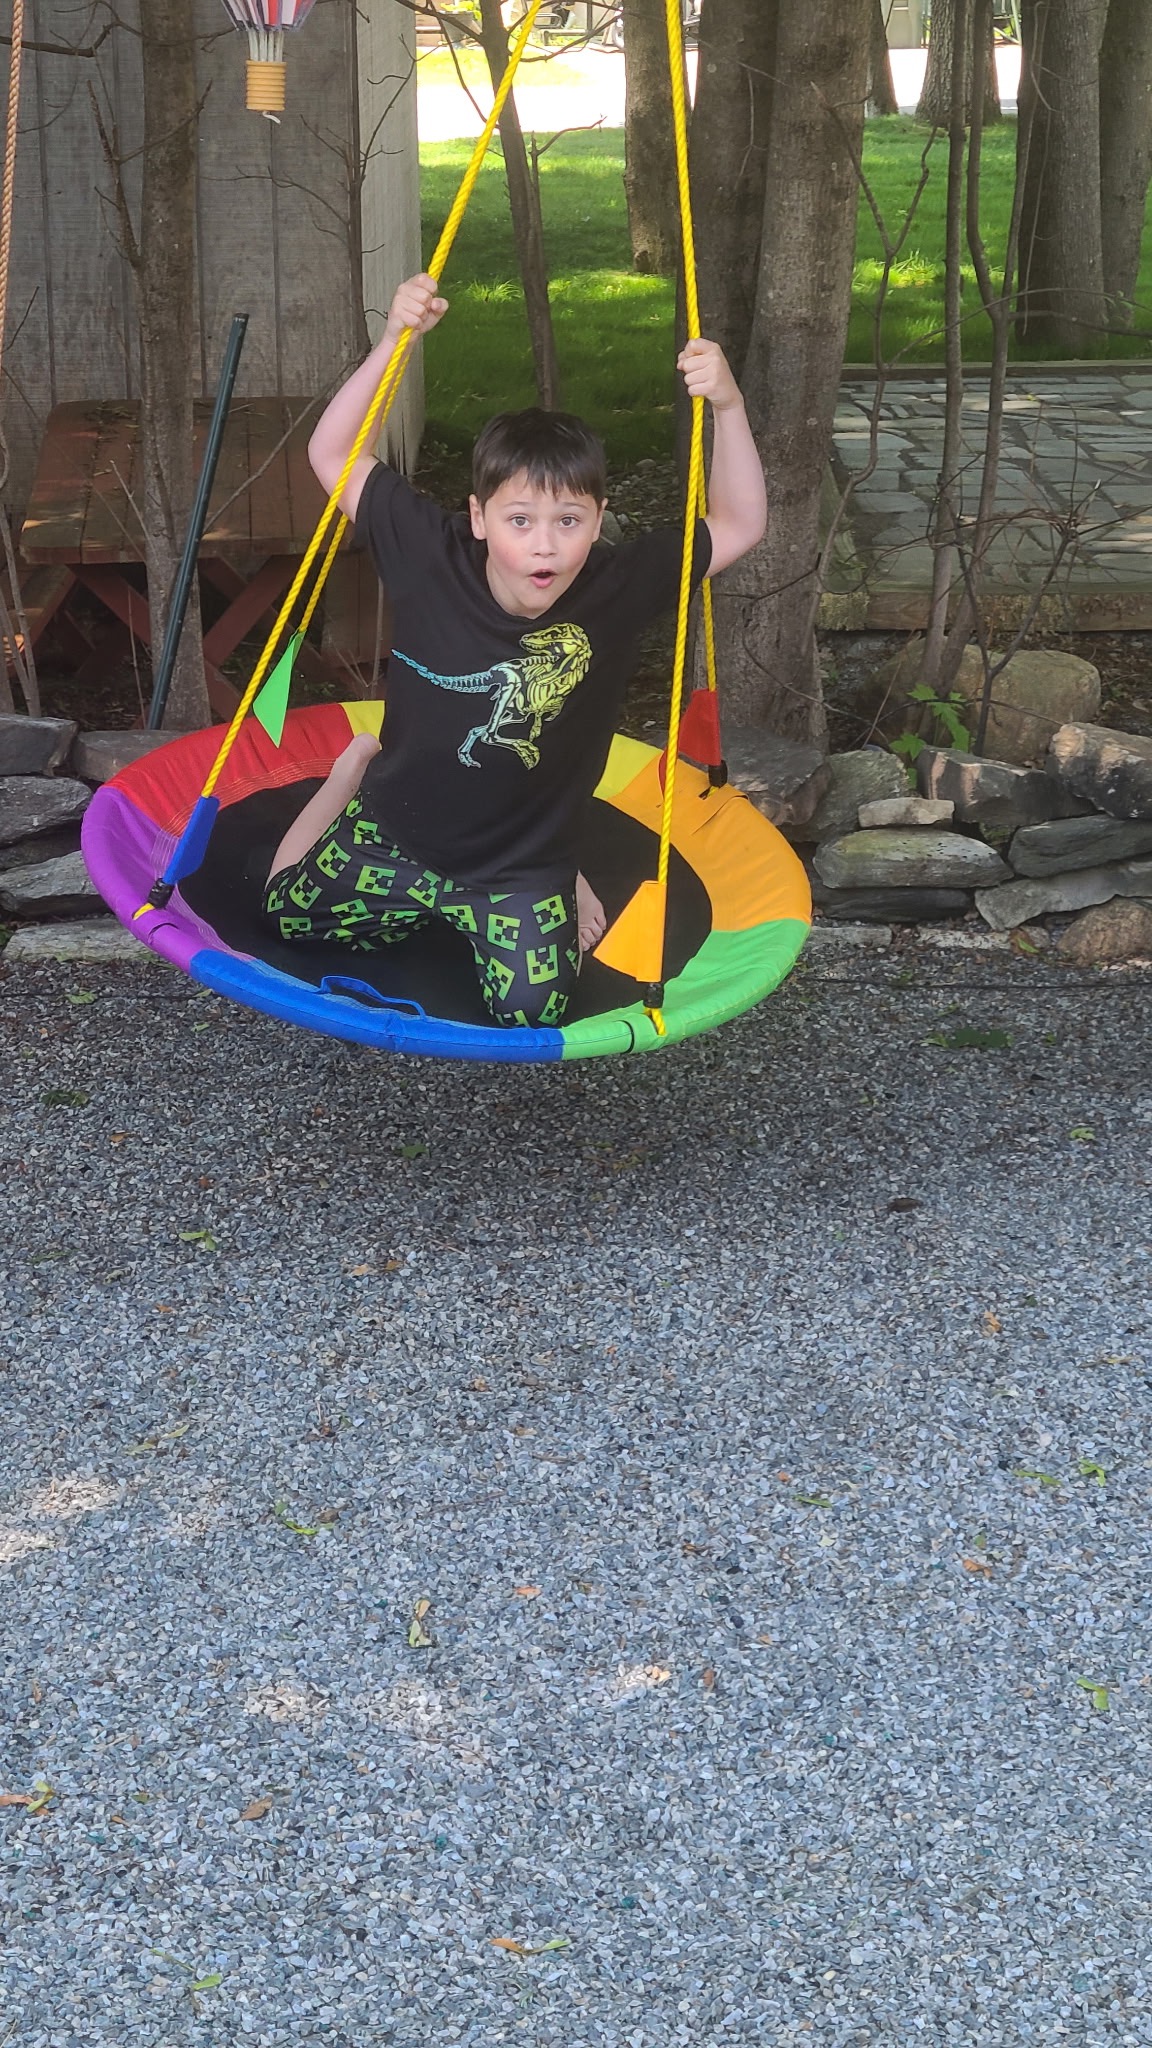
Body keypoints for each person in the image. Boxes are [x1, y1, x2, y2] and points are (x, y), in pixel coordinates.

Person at [264, 272, 766, 1028]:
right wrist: (394, 341)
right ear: (479, 518)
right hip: (396, 829)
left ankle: (568, 876)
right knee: (285, 914)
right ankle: (350, 771)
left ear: (598, 521)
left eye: (569, 521)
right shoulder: (430, 554)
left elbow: (738, 525)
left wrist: (727, 404)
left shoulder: (616, 586)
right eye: (520, 520)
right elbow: (332, 453)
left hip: (519, 868)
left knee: (533, 1014)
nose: (545, 545)